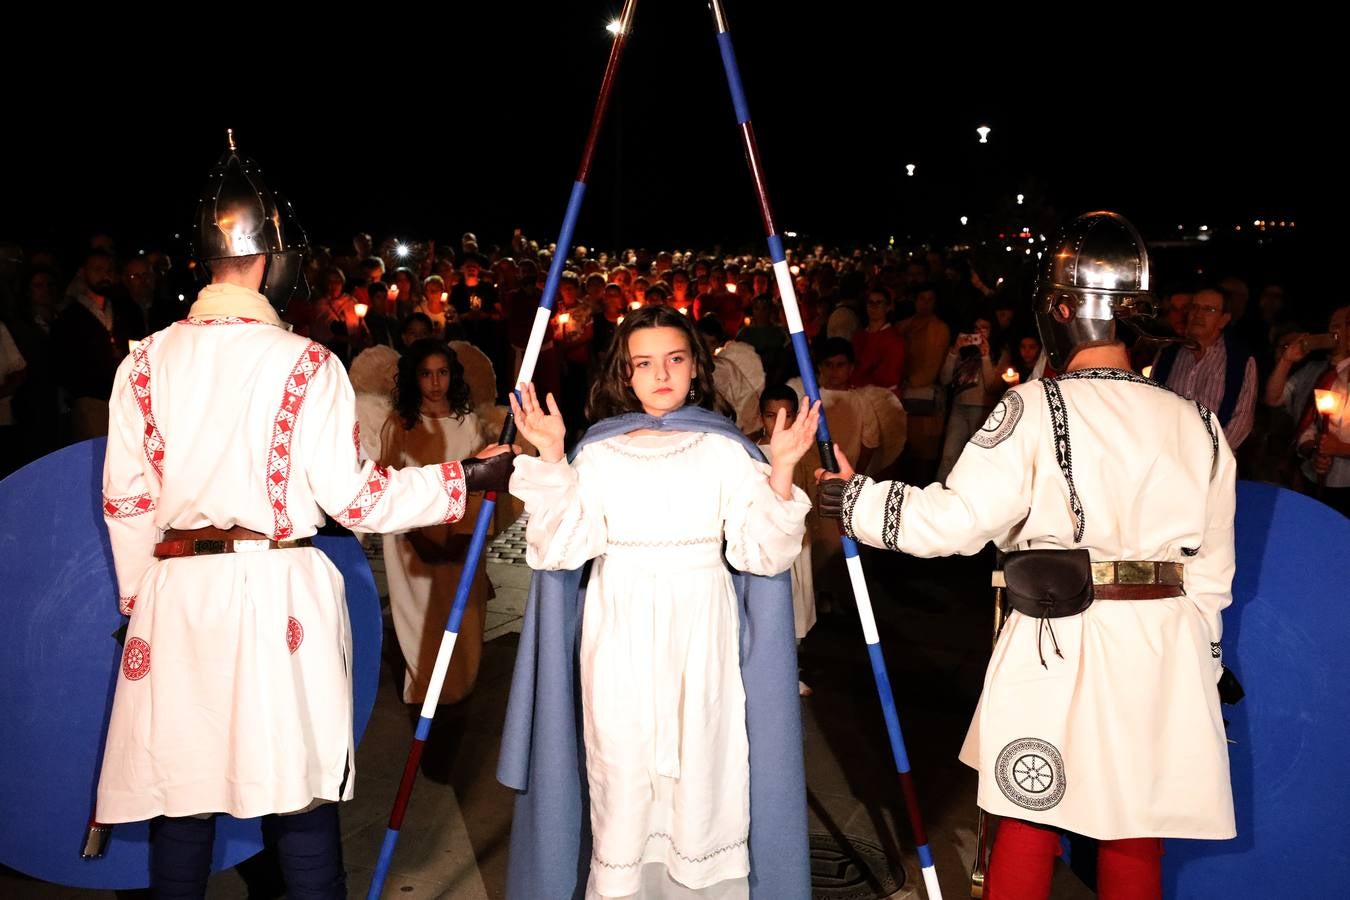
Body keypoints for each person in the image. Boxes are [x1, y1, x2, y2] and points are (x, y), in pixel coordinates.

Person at [94, 135, 514, 898]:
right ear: (273, 258)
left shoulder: (141, 360)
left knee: (180, 801)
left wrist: (136, 602)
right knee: (299, 793)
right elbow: (355, 500)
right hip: (275, 589)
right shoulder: (307, 362)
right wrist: (464, 480)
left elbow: (127, 503)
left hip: (176, 598)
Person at [817, 212, 1237, 899]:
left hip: (1059, 641)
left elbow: (952, 522)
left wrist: (855, 500)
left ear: (1063, 310)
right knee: (1137, 824)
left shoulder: (1033, 408)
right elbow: (1213, 575)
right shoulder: (1201, 423)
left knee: (1027, 817)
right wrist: (1205, 662)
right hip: (1166, 646)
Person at [499, 305, 818, 899]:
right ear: (625, 373)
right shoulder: (596, 452)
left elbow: (763, 552)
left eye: (675, 359)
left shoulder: (724, 450)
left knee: (705, 756)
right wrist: (550, 455)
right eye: (644, 363)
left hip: (702, 626)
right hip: (618, 626)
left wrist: (783, 470)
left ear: (696, 366)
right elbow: (563, 547)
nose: (661, 374)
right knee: (621, 759)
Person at [378, 341, 490, 766]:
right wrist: (414, 535)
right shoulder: (399, 423)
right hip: (412, 539)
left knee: (461, 614)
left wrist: (467, 534)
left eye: (442, 373)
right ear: (414, 378)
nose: (436, 383)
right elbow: (389, 481)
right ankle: (424, 689)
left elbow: (479, 482)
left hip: (461, 534)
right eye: (426, 374)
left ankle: (459, 688)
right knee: (420, 615)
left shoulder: (468, 424)